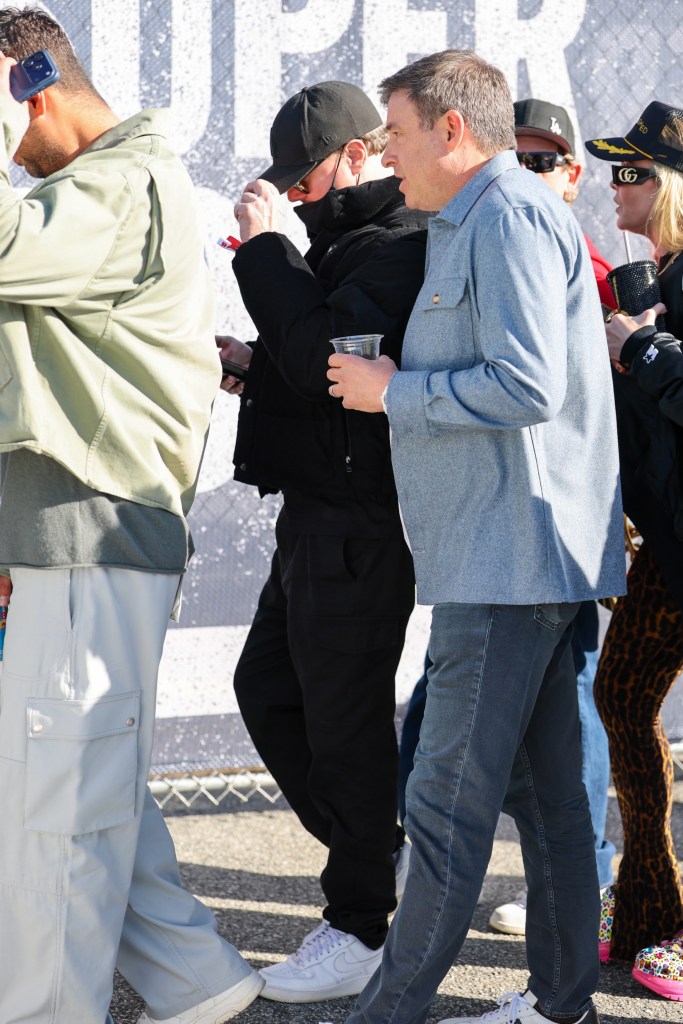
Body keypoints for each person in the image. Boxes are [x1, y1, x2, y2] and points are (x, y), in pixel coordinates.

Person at [328, 48, 625, 1024]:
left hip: (507, 564)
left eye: (398, 133)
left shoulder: (502, 213)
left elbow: (527, 386)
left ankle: (388, 1011)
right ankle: (557, 1005)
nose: (385, 153)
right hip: (514, 558)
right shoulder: (483, 215)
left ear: (451, 130)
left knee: (444, 809)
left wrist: (391, 392)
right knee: (544, 808)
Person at [0, 7, 262, 1024]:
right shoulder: (93, 192)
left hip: (96, 530)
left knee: (59, 809)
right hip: (69, 534)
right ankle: (199, 985)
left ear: (33, 86)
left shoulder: (119, 186)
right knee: (81, 782)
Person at [220, 80, 427, 1002]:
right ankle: (377, 855)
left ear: (356, 155)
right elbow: (304, 363)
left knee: (344, 723)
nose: (294, 199)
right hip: (315, 511)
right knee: (266, 689)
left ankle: (360, 921)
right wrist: (252, 371)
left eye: (302, 183)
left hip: (360, 522)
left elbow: (329, 363)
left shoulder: (397, 240)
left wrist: (266, 248)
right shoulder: (347, 241)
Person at [487, 98, 617, 936]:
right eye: (518, 160)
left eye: (545, 162)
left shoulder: (590, 267)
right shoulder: (498, 242)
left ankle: (589, 878)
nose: (530, 176)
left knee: (573, 700)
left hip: (572, 530)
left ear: (572, 176)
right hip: (511, 534)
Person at [585, 101, 683, 1000]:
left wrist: (646, 349)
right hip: (666, 547)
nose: (615, 186)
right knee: (620, 698)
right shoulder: (646, 274)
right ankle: (650, 904)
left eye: (630, 172)